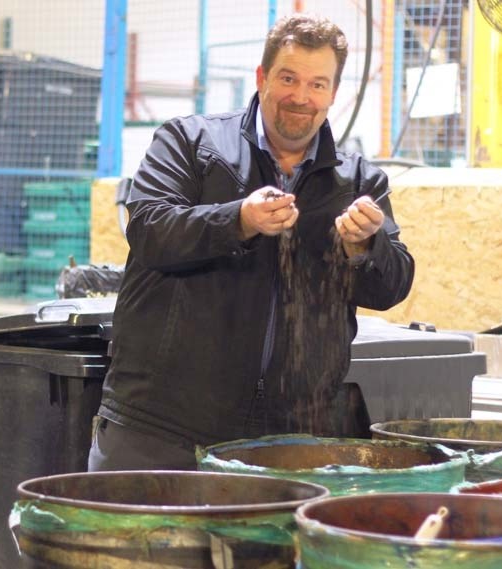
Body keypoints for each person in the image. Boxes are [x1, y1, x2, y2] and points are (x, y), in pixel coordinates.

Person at [88, 13, 415, 472]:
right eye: (288, 78)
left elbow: (391, 287)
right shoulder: (189, 141)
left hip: (287, 441)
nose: (302, 96)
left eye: (318, 84)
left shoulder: (359, 180)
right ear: (262, 78)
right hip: (162, 429)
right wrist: (238, 219)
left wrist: (366, 246)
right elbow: (150, 230)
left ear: (333, 94)